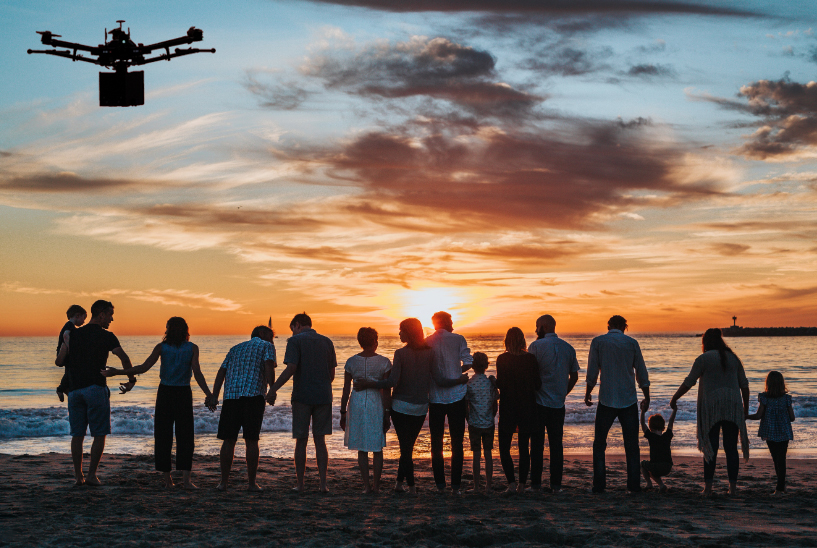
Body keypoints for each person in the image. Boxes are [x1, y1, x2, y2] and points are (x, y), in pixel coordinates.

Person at [101, 317, 215, 489]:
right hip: (183, 393)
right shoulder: (192, 348)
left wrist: (118, 372)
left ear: (168, 330)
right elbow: (197, 373)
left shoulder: (162, 347)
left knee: (163, 435)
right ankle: (186, 481)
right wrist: (209, 394)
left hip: (165, 393)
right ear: (185, 330)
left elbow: (143, 367)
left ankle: (168, 481)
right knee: (186, 436)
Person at [55, 300, 136, 486]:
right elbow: (124, 358)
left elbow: (61, 361)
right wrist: (131, 380)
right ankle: (91, 475)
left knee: (77, 435)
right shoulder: (107, 336)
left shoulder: (73, 334)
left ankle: (78, 477)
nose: (111, 319)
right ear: (101, 315)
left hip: (75, 390)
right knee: (99, 434)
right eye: (110, 315)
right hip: (95, 388)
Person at [353, 318, 435, 494]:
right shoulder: (430, 352)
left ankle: (412, 487)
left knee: (406, 448)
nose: (399, 333)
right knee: (407, 447)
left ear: (409, 333)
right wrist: (458, 379)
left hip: (401, 407)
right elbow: (437, 377)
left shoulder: (400, 353)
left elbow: (391, 382)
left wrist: (369, 383)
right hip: (420, 406)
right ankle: (399, 484)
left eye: (401, 330)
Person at [670, 328, 750, 496]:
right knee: (731, 448)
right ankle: (733, 488)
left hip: (711, 408)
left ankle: (707, 488)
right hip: (732, 406)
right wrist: (745, 408)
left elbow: (689, 382)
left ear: (705, 341)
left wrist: (675, 398)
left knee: (710, 447)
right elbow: (744, 385)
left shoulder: (703, 359)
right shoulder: (734, 358)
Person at [268, 313, 337, 493]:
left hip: (302, 396)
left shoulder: (295, 341)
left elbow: (291, 368)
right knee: (320, 440)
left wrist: (273, 388)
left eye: (292, 329)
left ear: (297, 325)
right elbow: (331, 375)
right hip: (323, 396)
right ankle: (323, 485)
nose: (292, 333)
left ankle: (300, 484)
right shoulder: (327, 342)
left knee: (301, 440)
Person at [585, 315, 650, 494]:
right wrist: (647, 395)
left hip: (606, 399)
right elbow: (641, 372)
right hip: (628, 399)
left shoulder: (598, 342)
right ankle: (634, 486)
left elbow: (592, 371)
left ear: (608, 326)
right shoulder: (632, 343)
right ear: (624, 327)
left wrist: (588, 392)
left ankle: (599, 485)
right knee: (632, 445)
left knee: (599, 444)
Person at [210, 325, 276, 491]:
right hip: (253, 396)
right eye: (271, 337)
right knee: (251, 440)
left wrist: (214, 395)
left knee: (228, 440)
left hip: (231, 397)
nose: (272, 341)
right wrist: (272, 389)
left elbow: (221, 372)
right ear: (262, 333)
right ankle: (252, 484)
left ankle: (223, 483)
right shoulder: (267, 346)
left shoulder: (235, 348)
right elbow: (269, 365)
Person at [528, 314, 579, 493]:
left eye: (537, 326)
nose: (536, 330)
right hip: (558, 403)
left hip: (539, 403)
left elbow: (529, 374)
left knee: (537, 445)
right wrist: (563, 393)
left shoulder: (535, 346)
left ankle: (536, 485)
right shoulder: (568, 348)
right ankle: (556, 485)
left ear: (544, 327)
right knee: (556, 445)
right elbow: (574, 376)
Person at [340, 327, 391, 494]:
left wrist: (342, 412)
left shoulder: (351, 362)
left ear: (360, 342)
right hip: (376, 403)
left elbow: (346, 390)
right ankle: (376, 486)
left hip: (357, 403)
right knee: (377, 447)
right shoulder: (384, 362)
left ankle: (367, 487)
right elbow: (387, 390)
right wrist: (387, 412)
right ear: (375, 341)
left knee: (362, 448)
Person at [426, 311, 472, 495]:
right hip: (457, 396)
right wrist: (456, 371)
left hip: (435, 398)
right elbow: (468, 362)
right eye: (451, 320)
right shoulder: (459, 339)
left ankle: (440, 485)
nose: (453, 324)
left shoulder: (427, 341)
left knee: (436, 442)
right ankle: (455, 486)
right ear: (446, 322)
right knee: (457, 442)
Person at [496, 327, 541, 494]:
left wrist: (493, 382)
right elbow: (538, 385)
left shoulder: (502, 359)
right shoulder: (530, 359)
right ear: (522, 340)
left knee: (504, 448)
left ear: (507, 341)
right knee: (524, 448)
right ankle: (522, 484)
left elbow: (501, 384)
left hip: (508, 407)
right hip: (527, 407)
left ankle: (511, 484)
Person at [747, 371, 795, 494]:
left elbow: (758, 415)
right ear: (782, 384)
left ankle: (780, 488)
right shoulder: (786, 399)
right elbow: (792, 417)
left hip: (769, 431)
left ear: (768, 383)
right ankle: (781, 486)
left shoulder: (764, 398)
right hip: (784, 432)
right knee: (781, 459)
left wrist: (746, 416)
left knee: (776, 459)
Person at [465, 352, 497, 493]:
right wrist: (491, 416)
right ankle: (488, 486)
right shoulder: (490, 383)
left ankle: (477, 487)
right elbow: (495, 403)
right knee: (488, 454)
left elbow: (466, 406)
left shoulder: (469, 384)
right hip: (488, 423)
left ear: (473, 366)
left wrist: (469, 419)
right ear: (486, 366)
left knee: (476, 455)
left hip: (475, 423)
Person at [640, 405, 676, 492]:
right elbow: (671, 421)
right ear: (663, 428)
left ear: (650, 428)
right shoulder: (667, 436)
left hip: (656, 466)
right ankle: (661, 486)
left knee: (643, 464)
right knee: (652, 469)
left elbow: (642, 423)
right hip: (668, 467)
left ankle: (650, 484)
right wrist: (675, 410)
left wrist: (643, 411)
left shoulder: (651, 436)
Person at [55, 305, 87, 402]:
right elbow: (66, 335)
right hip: (65, 352)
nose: (84, 321)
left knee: (69, 370)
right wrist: (70, 348)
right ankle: (61, 388)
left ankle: (63, 388)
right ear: (77, 316)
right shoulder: (70, 326)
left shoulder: (69, 325)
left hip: (65, 352)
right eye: (84, 318)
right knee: (70, 370)